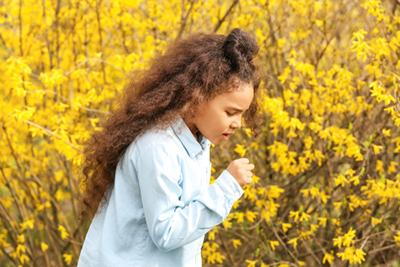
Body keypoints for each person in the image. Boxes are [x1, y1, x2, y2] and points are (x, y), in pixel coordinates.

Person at [77, 28, 262, 267]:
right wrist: (226, 188)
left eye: (242, 114)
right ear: (196, 97)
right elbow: (167, 232)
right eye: (230, 112)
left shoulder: (197, 140)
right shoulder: (157, 146)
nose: (237, 123)